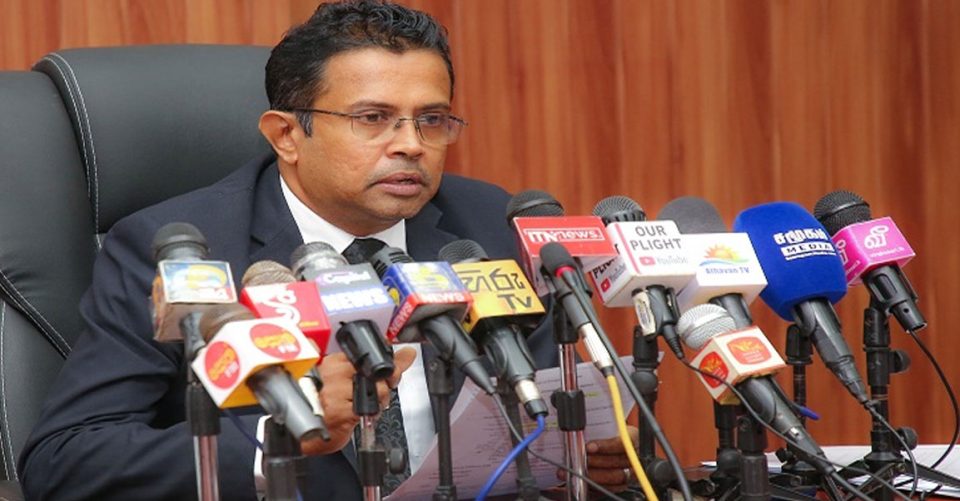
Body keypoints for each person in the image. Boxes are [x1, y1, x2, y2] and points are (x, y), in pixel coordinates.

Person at [18, 1, 637, 499]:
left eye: (431, 119)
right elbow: (65, 460)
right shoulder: (184, 252)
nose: (411, 144)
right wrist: (278, 437)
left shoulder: (484, 224)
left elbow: (536, 396)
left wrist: (579, 451)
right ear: (286, 134)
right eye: (373, 118)